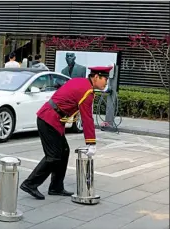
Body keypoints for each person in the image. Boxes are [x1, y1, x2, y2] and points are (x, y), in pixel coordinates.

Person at [20, 66, 112, 200]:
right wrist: (91, 143)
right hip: (49, 119)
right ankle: (30, 184)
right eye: (105, 79)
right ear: (96, 77)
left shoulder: (80, 82)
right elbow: (87, 119)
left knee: (64, 151)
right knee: (53, 156)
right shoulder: (87, 91)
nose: (106, 83)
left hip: (52, 118)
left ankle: (56, 187)